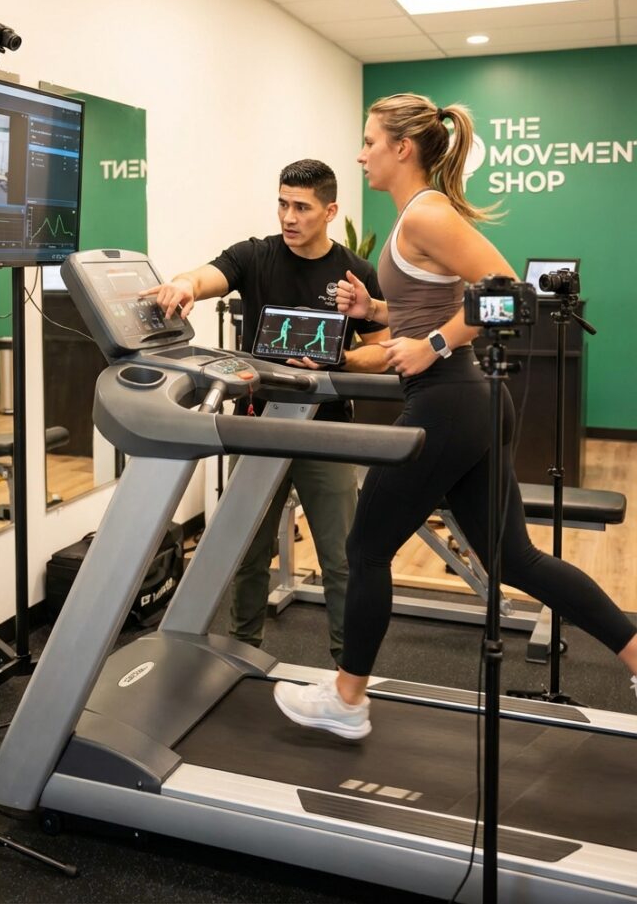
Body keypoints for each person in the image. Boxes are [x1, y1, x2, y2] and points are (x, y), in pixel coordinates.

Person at [274, 93, 637, 738]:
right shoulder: (413, 217)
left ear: (401, 148)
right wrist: (376, 314)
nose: (360, 154)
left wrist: (434, 344)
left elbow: (512, 294)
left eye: (369, 141)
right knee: (514, 561)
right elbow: (426, 304)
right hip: (467, 403)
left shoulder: (426, 214)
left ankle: (348, 700)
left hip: (449, 402)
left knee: (366, 547)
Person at [144, 158, 388, 665]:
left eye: (301, 207)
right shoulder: (255, 257)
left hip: (325, 431)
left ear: (330, 210)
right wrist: (185, 285)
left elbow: (384, 349)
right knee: (248, 554)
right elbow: (207, 276)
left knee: (341, 561)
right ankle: (240, 656)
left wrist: (340, 360)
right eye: (282, 203)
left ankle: (349, 672)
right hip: (259, 427)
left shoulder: (355, 272)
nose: (289, 216)